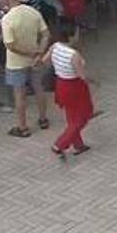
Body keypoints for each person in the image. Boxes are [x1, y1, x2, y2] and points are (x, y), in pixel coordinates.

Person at [1, 0, 50, 138]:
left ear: (7, 0)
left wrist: (28, 53)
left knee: (19, 95)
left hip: (16, 63)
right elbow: (46, 33)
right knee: (39, 88)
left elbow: (10, 45)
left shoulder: (7, 19)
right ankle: (43, 119)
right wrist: (39, 52)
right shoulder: (33, 12)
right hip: (35, 61)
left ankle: (23, 127)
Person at [43, 21, 92, 157]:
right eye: (76, 33)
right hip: (75, 86)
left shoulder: (55, 47)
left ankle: (78, 145)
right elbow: (82, 75)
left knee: (71, 115)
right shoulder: (73, 54)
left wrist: (59, 68)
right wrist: (94, 81)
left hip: (61, 84)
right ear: (70, 37)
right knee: (84, 115)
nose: (78, 35)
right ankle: (60, 143)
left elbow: (45, 60)